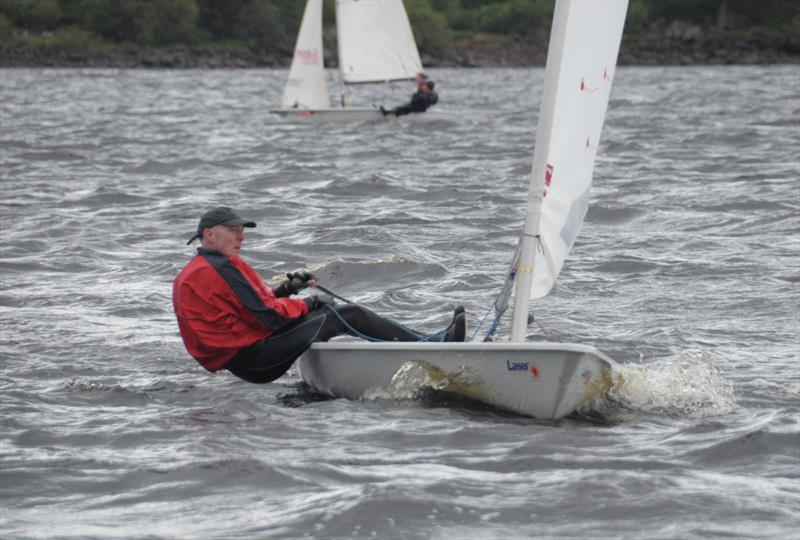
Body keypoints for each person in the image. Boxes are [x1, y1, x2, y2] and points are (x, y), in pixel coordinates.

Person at [173, 207, 466, 384]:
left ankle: (417, 346)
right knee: (343, 313)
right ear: (209, 235)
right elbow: (270, 317)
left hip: (243, 359)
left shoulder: (198, 269)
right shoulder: (221, 269)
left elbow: (247, 309)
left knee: (322, 313)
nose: (242, 237)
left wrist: (287, 290)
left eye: (242, 230)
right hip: (254, 361)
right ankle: (436, 345)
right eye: (233, 230)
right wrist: (309, 303)